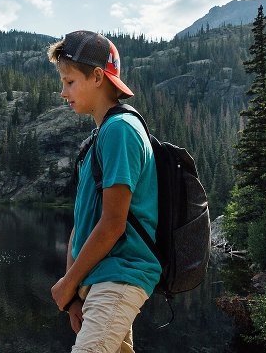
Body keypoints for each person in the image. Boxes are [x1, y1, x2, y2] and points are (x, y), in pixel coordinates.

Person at [48, 30, 160, 353]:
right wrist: (73, 295)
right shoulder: (98, 139)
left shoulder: (120, 132)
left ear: (97, 77)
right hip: (100, 283)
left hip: (119, 278)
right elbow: (80, 226)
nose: (63, 92)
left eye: (69, 82)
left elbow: (113, 224)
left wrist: (69, 283)